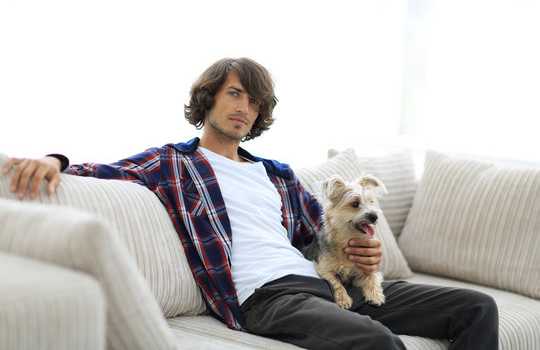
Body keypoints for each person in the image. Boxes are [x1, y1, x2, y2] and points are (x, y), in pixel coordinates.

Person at [3, 57, 498, 350]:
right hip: (266, 298)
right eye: (235, 94)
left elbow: (321, 237)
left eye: (255, 102)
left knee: (477, 308)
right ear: (209, 100)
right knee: (377, 343)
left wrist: (365, 255)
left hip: (324, 283)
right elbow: (97, 171)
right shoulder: (173, 164)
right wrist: (52, 159)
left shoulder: (277, 174)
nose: (245, 108)